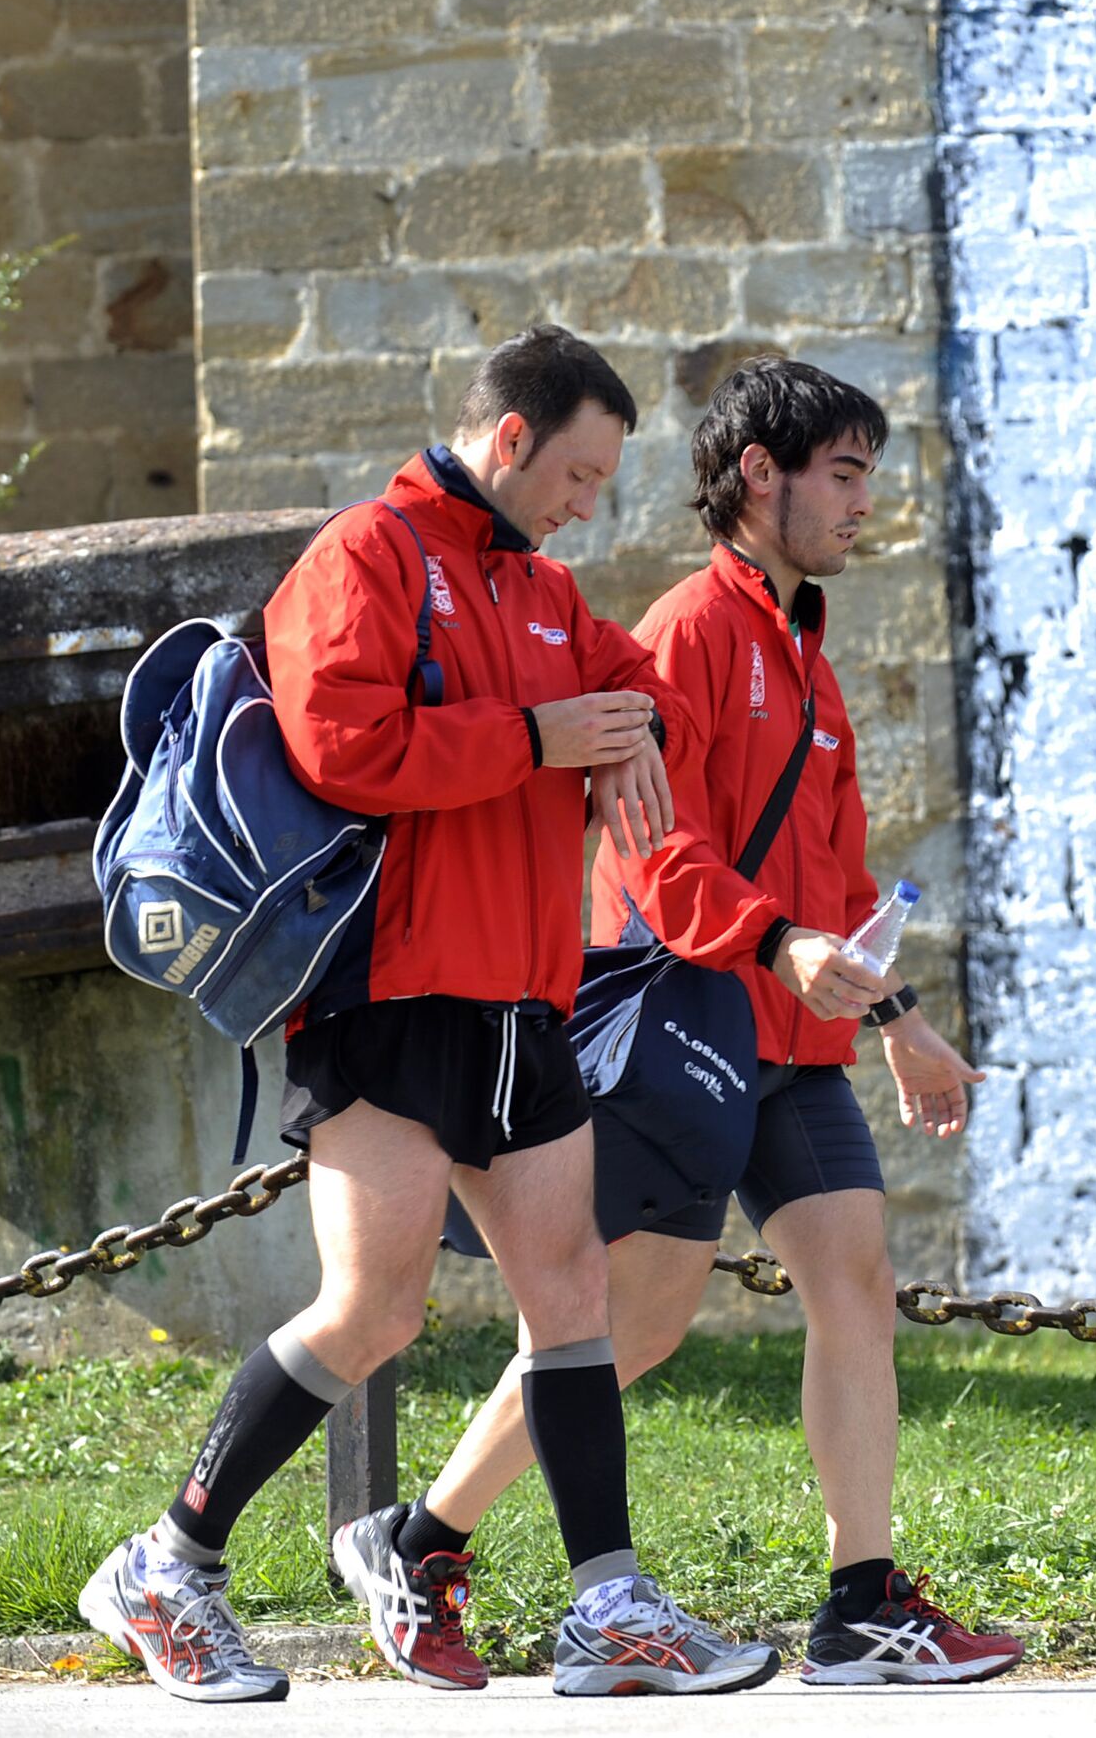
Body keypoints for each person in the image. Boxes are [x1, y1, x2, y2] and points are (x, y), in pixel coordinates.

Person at [78, 325, 777, 1703]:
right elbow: (340, 745)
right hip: (386, 998)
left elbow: (638, 680)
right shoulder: (369, 553)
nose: (588, 507)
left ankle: (609, 1610)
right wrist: (537, 741)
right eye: (578, 474)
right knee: (373, 1310)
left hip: (524, 1000)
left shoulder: (538, 587)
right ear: (510, 437)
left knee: (569, 1297)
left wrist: (624, 731)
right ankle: (165, 1566)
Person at [394, 358, 1025, 1687]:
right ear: (758, 474)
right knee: (628, 1326)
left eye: (866, 478)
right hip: (685, 1039)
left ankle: (860, 1605)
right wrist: (778, 943)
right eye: (842, 475)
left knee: (856, 1283)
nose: (863, 504)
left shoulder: (809, 657)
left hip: (796, 1049)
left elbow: (838, 876)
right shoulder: (687, 632)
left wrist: (898, 1016)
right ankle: (424, 1543)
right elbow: (651, 851)